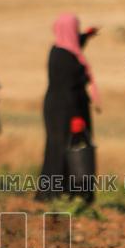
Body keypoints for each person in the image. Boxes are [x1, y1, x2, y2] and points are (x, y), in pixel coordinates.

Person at [36, 13, 99, 202]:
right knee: (64, 148)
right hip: (67, 110)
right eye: (75, 29)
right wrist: (76, 117)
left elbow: (75, 43)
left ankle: (69, 193)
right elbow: (68, 88)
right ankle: (56, 193)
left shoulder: (61, 49)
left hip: (61, 107)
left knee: (68, 148)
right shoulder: (64, 56)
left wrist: (86, 35)